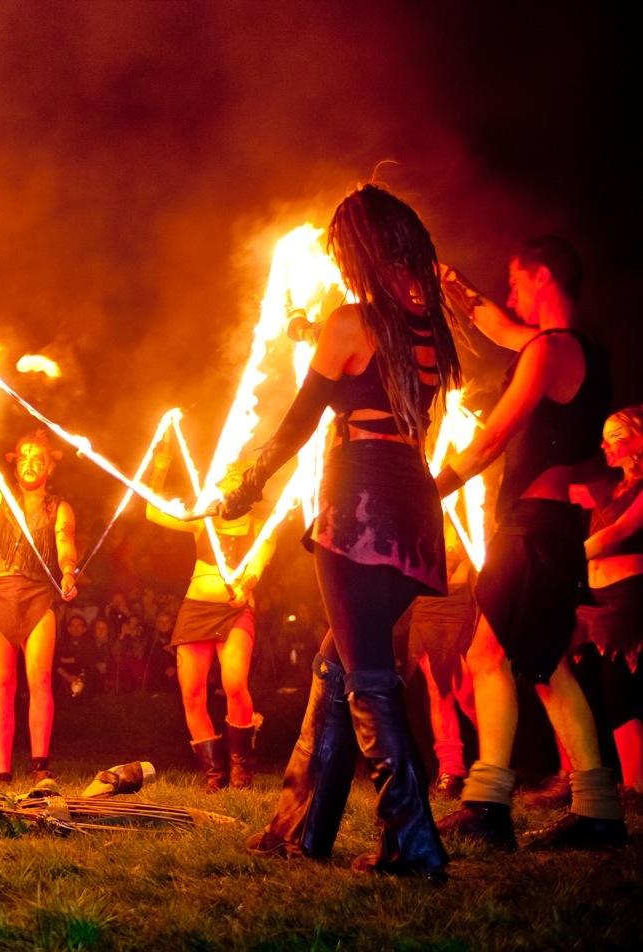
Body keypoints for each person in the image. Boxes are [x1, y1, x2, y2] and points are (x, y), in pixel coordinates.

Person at [229, 184, 460, 880]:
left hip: (358, 502)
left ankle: (412, 845)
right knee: (336, 667)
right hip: (413, 504)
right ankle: (301, 828)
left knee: (367, 678)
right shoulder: (426, 327)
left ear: (358, 248)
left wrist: (247, 482)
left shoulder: (353, 321)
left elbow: (301, 420)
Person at [436, 237, 625, 850]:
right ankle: (596, 811)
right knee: (543, 665)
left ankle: (489, 804)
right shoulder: (580, 350)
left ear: (543, 276)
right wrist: (448, 281)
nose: (510, 296)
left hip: (533, 531)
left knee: (490, 658)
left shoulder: (550, 351)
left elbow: (493, 436)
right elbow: (499, 326)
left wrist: (429, 489)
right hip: (545, 528)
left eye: (517, 283)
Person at [0, 428, 78, 782]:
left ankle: (40, 766)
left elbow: (66, 545)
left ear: (49, 468)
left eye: (39, 459)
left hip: (38, 595)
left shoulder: (59, 508)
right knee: (3, 683)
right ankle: (3, 772)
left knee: (39, 680)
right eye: (25, 458)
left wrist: (68, 572)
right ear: (16, 463)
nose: (31, 464)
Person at [143, 449, 273, 791]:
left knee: (234, 683)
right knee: (192, 694)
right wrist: (161, 463)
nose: (228, 482)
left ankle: (241, 769)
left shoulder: (263, 527)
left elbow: (257, 565)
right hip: (195, 609)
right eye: (225, 477)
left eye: (237, 478)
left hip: (235, 610)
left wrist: (244, 587)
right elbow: (152, 511)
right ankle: (215, 774)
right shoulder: (204, 521)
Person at [564, 406, 643, 806]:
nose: (604, 444)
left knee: (618, 688)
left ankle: (635, 786)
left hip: (627, 597)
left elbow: (618, 534)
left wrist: (567, 557)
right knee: (563, 674)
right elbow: (563, 490)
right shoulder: (606, 487)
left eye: (615, 435)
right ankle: (572, 774)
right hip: (592, 602)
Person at [395, 521, 478, 800]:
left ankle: (495, 759)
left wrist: (461, 562)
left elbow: (480, 540)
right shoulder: (421, 499)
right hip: (426, 598)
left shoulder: (466, 500)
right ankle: (450, 770)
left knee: (465, 687)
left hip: (460, 596)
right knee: (436, 687)